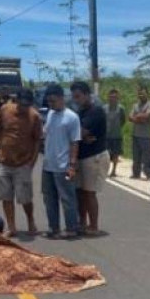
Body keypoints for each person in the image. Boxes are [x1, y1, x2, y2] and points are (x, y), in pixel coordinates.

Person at [0, 88, 42, 237]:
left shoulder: (34, 117)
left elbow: (37, 142)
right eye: (22, 104)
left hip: (23, 163)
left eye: (27, 105)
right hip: (4, 161)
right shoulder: (5, 110)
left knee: (25, 198)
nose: (24, 108)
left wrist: (32, 163)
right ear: (16, 101)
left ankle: (31, 221)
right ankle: (11, 227)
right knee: (6, 196)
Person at [41, 84, 81, 239]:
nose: (51, 104)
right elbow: (46, 135)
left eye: (53, 101)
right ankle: (54, 228)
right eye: (49, 101)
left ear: (61, 98)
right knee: (49, 198)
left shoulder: (71, 117)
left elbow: (74, 143)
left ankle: (71, 228)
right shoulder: (50, 114)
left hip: (63, 165)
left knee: (67, 198)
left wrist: (71, 165)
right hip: (48, 165)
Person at [71, 81, 109, 236]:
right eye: (74, 97)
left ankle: (94, 226)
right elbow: (78, 134)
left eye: (78, 96)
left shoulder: (96, 111)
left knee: (89, 192)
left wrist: (78, 135)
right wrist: (79, 136)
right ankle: (82, 222)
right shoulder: (80, 113)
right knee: (79, 192)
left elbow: (81, 132)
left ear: (87, 95)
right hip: (81, 156)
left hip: (94, 157)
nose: (76, 100)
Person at [129, 86, 150, 179]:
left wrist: (137, 117)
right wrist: (140, 118)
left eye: (143, 93)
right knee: (136, 156)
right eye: (139, 93)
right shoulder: (135, 105)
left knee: (147, 157)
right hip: (135, 134)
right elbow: (130, 117)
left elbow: (146, 116)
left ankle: (149, 174)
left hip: (146, 135)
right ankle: (136, 173)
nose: (141, 95)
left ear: (147, 94)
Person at [104, 88, 126, 177]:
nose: (113, 98)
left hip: (117, 135)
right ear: (108, 97)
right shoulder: (104, 108)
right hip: (106, 135)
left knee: (116, 154)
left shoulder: (121, 108)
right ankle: (106, 169)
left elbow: (123, 120)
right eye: (111, 97)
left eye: (115, 97)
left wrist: (117, 127)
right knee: (106, 154)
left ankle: (114, 170)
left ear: (117, 98)